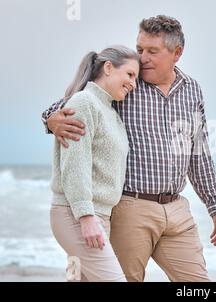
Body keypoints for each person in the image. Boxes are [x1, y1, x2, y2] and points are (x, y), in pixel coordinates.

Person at [42, 15, 216, 282]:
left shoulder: (192, 90)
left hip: (177, 209)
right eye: (140, 49)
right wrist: (50, 120)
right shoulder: (126, 82)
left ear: (177, 53)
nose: (142, 58)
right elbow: (73, 104)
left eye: (152, 51)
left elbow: (198, 153)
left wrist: (215, 204)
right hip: (131, 208)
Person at [49, 46, 140, 282]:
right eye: (130, 75)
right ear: (108, 68)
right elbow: (75, 163)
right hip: (77, 215)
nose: (134, 84)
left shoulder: (110, 111)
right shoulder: (84, 102)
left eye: (137, 78)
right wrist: (86, 217)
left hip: (99, 215)